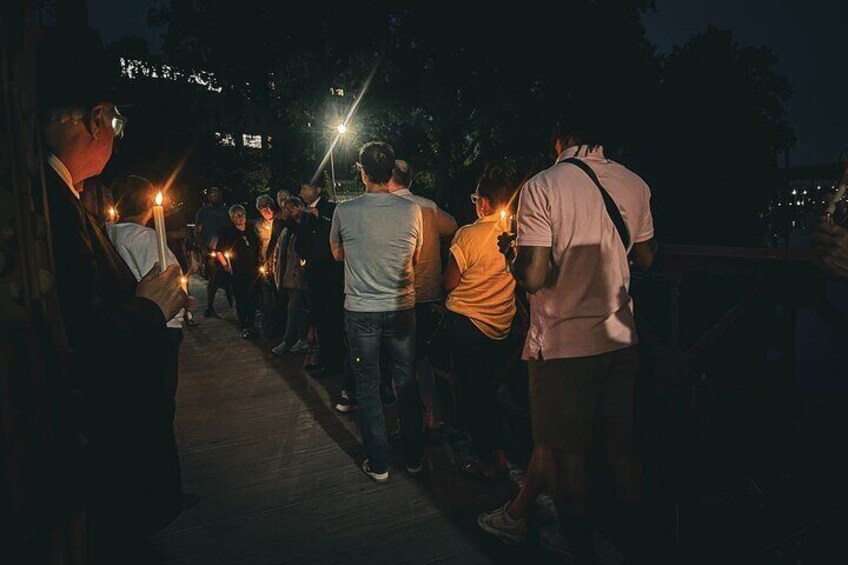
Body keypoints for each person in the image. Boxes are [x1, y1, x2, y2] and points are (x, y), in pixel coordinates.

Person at [478, 107, 657, 563]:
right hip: (621, 336)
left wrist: (516, 254)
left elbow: (534, 277)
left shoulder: (543, 186)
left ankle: (580, 550)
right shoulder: (635, 183)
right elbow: (648, 258)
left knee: (564, 457)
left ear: (560, 137)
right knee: (622, 451)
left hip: (565, 345)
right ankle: (638, 546)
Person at [37, 27, 191, 555]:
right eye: (116, 123)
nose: (116, 137)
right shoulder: (50, 209)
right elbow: (75, 341)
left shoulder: (58, 196)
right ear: (96, 119)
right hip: (94, 450)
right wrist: (150, 306)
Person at [330, 141, 425, 482]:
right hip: (402, 307)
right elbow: (414, 257)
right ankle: (414, 457)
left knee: (368, 386)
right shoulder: (412, 210)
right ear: (391, 173)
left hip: (361, 310)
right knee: (406, 380)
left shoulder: (345, 210)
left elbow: (337, 254)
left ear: (363, 172)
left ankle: (379, 463)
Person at [442, 165, 516, 480]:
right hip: (502, 325)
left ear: (483, 203)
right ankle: (500, 454)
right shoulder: (516, 234)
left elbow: (448, 283)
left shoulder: (468, 235)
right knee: (489, 391)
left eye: (476, 199)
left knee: (474, 395)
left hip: (468, 324)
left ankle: (487, 462)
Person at [389, 160, 458, 431]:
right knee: (422, 357)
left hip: (397, 295)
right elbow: (452, 225)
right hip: (428, 293)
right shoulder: (428, 206)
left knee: (400, 360)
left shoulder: (385, 208)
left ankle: (408, 419)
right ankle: (432, 414)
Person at [297, 183, 346, 376]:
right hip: (314, 274)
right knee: (319, 318)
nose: (301, 192)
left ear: (317, 189)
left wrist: (319, 220)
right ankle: (326, 359)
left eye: (305, 188)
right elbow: (301, 243)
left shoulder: (331, 209)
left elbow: (335, 237)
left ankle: (335, 362)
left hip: (330, 274)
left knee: (332, 318)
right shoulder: (304, 214)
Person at [271, 197, 311, 355]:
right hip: (291, 275)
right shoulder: (287, 229)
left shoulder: (304, 225)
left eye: (291, 209)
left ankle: (289, 340)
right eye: (286, 209)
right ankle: (302, 338)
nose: (288, 212)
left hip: (302, 275)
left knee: (294, 307)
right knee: (297, 308)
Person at [218, 205, 260, 338]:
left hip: (253, 269)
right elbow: (219, 251)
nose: (240, 218)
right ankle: (245, 326)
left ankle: (252, 323)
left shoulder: (252, 229)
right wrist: (225, 264)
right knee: (241, 298)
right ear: (231, 218)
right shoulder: (227, 232)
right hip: (237, 270)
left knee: (253, 297)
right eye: (237, 215)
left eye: (242, 214)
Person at [195, 186, 233, 317]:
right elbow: (198, 232)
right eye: (211, 194)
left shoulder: (227, 211)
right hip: (211, 250)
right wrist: (203, 248)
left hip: (227, 250)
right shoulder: (202, 212)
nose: (214, 196)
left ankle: (232, 302)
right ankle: (210, 306)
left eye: (216, 194)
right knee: (214, 278)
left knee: (230, 277)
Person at [254, 194, 286, 337]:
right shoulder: (257, 225)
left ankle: (283, 325)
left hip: (279, 263)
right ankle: (271, 326)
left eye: (267, 207)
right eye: (262, 209)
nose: (266, 211)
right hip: (265, 264)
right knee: (267, 298)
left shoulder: (281, 221)